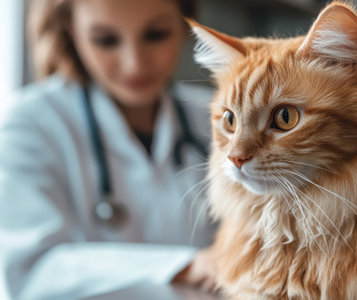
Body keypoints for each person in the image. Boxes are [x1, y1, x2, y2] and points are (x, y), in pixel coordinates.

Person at [0, 0, 217, 299]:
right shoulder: (31, 124)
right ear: (69, 32)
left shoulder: (221, 114)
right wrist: (186, 267)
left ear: (185, 25)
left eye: (156, 35)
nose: (134, 64)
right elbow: (32, 272)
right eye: (105, 40)